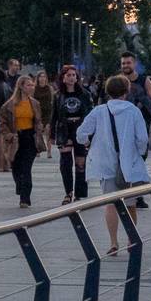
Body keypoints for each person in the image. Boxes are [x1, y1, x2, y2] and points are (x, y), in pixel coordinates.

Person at [75, 75, 151, 256]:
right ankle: (131, 239)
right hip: (129, 164)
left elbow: (81, 133)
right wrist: (139, 153)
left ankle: (113, 242)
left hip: (105, 163)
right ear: (127, 91)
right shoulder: (133, 111)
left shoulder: (99, 111)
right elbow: (142, 139)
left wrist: (86, 142)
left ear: (108, 92)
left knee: (110, 204)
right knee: (130, 204)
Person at [0, 74, 44, 209]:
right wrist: (8, 135)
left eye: (32, 85)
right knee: (16, 167)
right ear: (21, 87)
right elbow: (2, 122)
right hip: (16, 138)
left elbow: (38, 120)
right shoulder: (9, 105)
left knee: (26, 168)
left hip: (30, 138)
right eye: (28, 85)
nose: (32, 87)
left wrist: (40, 129)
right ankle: (20, 185)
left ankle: (25, 198)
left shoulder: (35, 103)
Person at [52, 65, 93, 204]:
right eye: (68, 75)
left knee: (81, 163)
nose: (71, 78)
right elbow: (54, 115)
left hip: (80, 128)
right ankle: (68, 193)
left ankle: (80, 193)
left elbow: (90, 113)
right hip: (64, 129)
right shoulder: (58, 95)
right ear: (63, 78)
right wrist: (51, 135)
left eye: (74, 75)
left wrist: (90, 133)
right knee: (65, 163)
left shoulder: (85, 94)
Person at [33, 69, 56, 160]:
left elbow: (53, 100)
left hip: (48, 112)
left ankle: (49, 151)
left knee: (48, 131)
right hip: (38, 112)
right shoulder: (34, 88)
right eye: (40, 77)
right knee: (38, 132)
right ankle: (38, 150)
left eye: (44, 77)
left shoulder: (50, 88)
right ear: (38, 78)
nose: (42, 78)